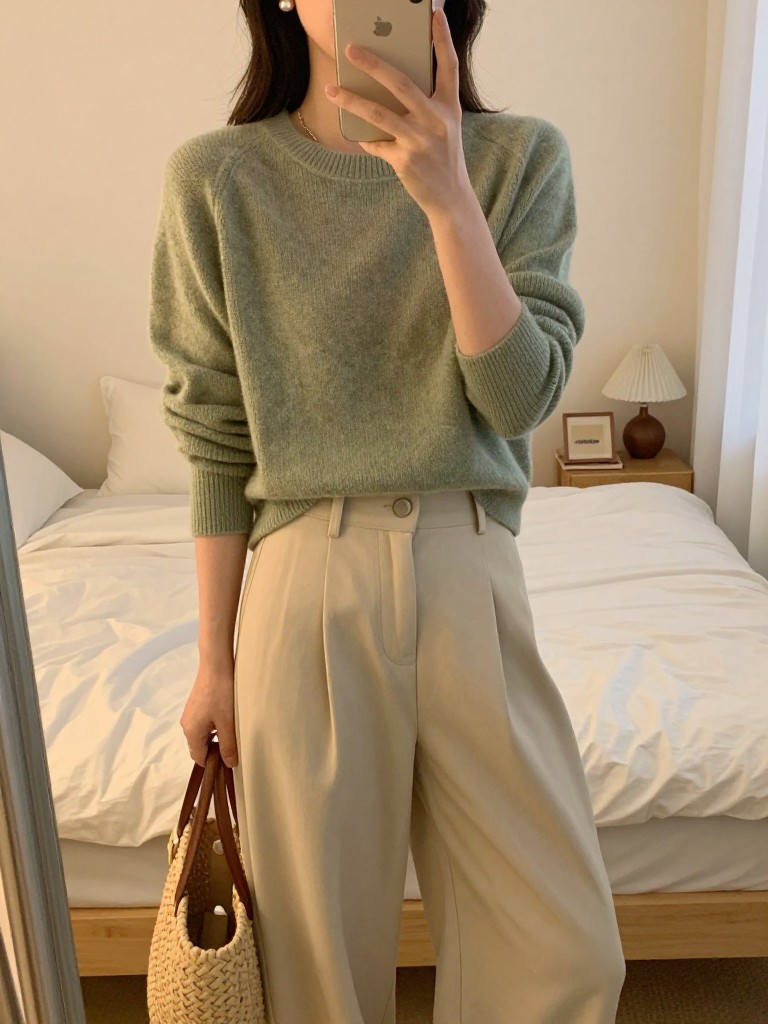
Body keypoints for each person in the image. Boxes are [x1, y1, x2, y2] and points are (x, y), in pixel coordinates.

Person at [148, 0, 627, 1020]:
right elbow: (217, 439)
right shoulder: (217, 179)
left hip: (471, 567)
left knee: (565, 950)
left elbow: (518, 399)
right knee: (313, 972)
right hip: (302, 582)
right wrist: (213, 660)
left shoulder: (518, 160)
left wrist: (449, 198)